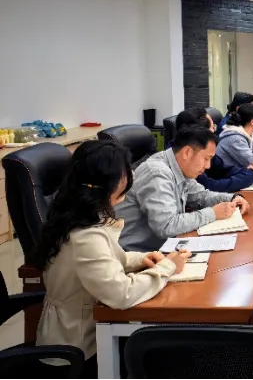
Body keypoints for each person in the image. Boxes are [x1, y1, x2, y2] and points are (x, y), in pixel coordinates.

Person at [30, 141, 190, 380]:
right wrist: (167, 268)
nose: (126, 186)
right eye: (122, 179)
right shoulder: (85, 234)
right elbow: (120, 294)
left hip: (84, 331)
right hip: (78, 350)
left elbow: (106, 258)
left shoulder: (75, 213)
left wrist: (142, 259)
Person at [117, 126, 251, 252]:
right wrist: (213, 213)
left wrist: (232, 198)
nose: (208, 166)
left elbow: (201, 196)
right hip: (137, 256)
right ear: (187, 152)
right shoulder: (157, 173)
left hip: (164, 247)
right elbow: (166, 226)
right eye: (206, 158)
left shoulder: (179, 167)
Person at [174, 107, 253, 192]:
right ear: (201, 133)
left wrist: (250, 171)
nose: (214, 132)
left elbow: (224, 170)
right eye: (213, 127)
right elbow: (210, 187)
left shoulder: (204, 151)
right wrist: (251, 175)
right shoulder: (185, 158)